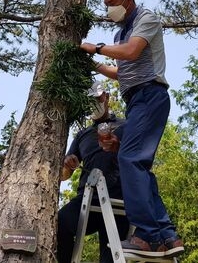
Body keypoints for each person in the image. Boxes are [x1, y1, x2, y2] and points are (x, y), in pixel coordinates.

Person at [80, 0, 184, 258]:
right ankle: (167, 235)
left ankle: (148, 236)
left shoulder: (146, 19)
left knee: (130, 159)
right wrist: (93, 62)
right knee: (132, 159)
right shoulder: (120, 34)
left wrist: (96, 47)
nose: (109, 10)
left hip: (150, 95)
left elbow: (132, 52)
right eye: (106, 5)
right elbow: (121, 71)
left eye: (112, 4)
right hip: (135, 101)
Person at [57, 81, 130, 263]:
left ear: (106, 98)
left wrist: (118, 147)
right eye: (88, 101)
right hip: (86, 201)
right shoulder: (82, 134)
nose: (93, 104)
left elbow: (138, 157)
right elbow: (64, 175)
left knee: (110, 258)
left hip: (118, 202)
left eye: (97, 98)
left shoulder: (125, 126)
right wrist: (68, 165)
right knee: (60, 223)